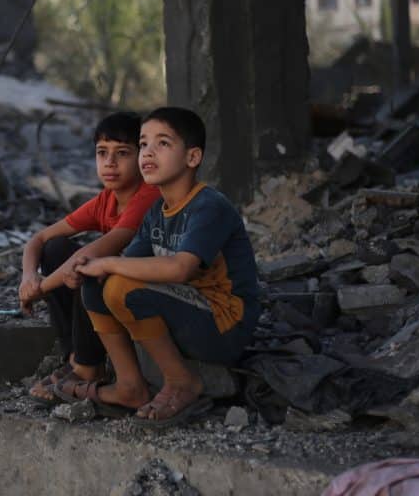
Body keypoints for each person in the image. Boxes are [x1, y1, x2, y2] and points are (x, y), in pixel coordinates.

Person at [74, 106, 260, 427]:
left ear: (192, 158)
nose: (148, 152)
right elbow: (129, 264)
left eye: (163, 143)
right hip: (186, 310)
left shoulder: (208, 206)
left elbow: (180, 270)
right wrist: (97, 267)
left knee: (119, 283)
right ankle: (130, 385)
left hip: (223, 325)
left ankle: (181, 382)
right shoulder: (157, 212)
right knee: (99, 282)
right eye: (144, 143)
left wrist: (107, 261)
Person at [19, 111, 160, 404]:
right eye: (102, 153)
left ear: (142, 157)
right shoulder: (105, 200)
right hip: (112, 299)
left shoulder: (148, 196)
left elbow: (90, 255)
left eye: (122, 153)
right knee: (55, 249)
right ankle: (74, 355)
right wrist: (28, 277)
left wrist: (38, 290)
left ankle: (89, 366)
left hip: (152, 293)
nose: (109, 163)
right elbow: (39, 239)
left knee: (89, 270)